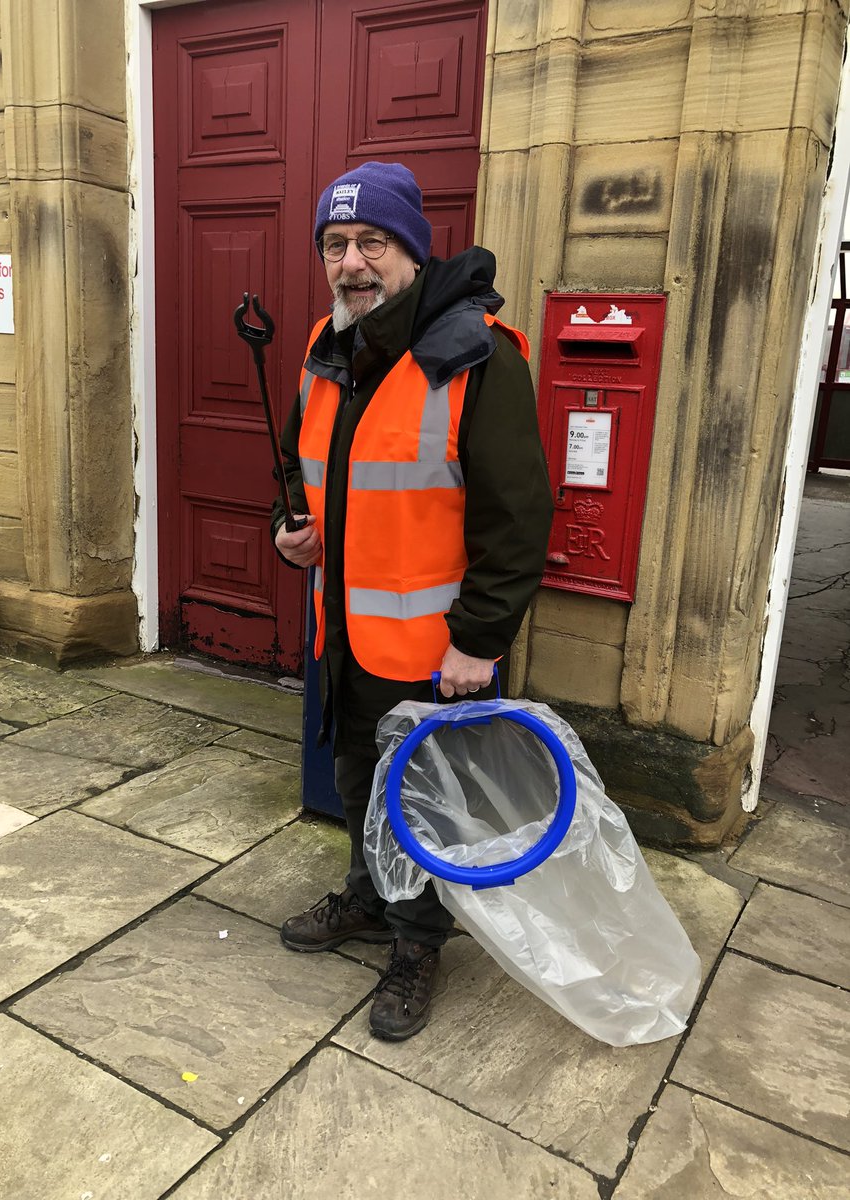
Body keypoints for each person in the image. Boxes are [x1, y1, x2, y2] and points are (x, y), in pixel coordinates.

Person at [271, 161, 553, 1041]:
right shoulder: (328, 344)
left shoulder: (476, 355)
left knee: (424, 801)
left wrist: (478, 639)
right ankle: (367, 894)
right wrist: (291, 534)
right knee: (358, 780)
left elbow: (518, 517)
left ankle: (418, 944)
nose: (352, 263)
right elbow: (300, 472)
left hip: (435, 653)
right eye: (336, 244)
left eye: (372, 243)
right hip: (346, 635)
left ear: (412, 252)